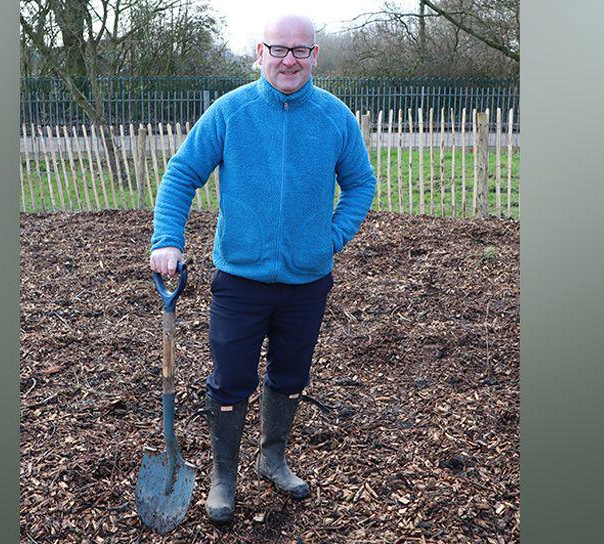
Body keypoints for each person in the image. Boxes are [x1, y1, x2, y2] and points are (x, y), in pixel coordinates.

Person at [149, 13, 377, 524]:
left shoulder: (335, 118)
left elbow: (361, 184)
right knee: (230, 380)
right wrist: (167, 240)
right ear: (260, 52)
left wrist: (330, 238)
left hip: (306, 281)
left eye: (301, 50)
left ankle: (272, 457)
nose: (289, 59)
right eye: (279, 49)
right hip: (240, 280)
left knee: (291, 373)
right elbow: (182, 173)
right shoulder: (231, 113)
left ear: (315, 55)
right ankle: (224, 476)